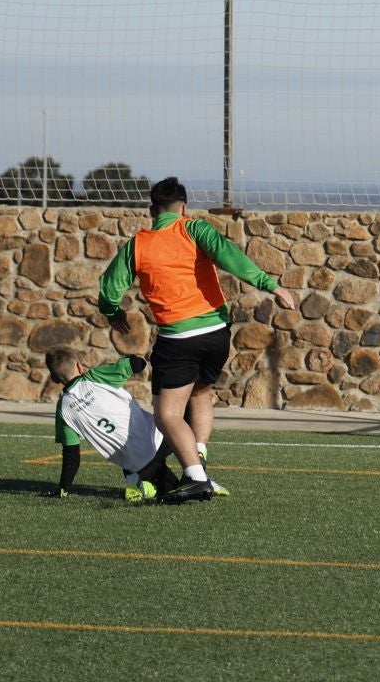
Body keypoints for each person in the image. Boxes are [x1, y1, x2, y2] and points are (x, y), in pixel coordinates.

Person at [96, 176, 297, 504]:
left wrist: (112, 313)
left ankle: (195, 477)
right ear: (184, 207)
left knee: (167, 415)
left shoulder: (139, 243)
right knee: (201, 394)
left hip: (179, 338)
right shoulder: (196, 229)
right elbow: (231, 256)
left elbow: (109, 288)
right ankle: (198, 461)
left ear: (152, 209)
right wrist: (271, 285)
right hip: (217, 334)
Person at [42, 346, 175, 502]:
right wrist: (131, 357)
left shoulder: (63, 409)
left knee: (170, 489)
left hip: (136, 464)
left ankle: (142, 483)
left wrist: (63, 488)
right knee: (185, 420)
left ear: (54, 378)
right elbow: (138, 364)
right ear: (79, 366)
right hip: (161, 439)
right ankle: (197, 466)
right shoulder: (95, 376)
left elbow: (72, 455)